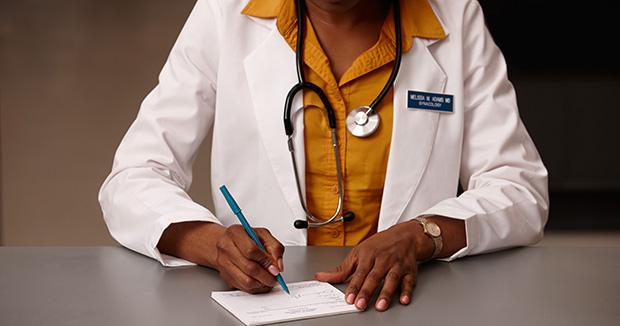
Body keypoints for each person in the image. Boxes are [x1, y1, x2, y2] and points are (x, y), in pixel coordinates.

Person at [99, 0, 548, 312]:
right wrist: (214, 244)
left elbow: (519, 187)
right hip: (272, 304)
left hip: (408, 303)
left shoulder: (455, 18)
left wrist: (420, 235)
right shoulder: (227, 14)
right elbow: (134, 177)